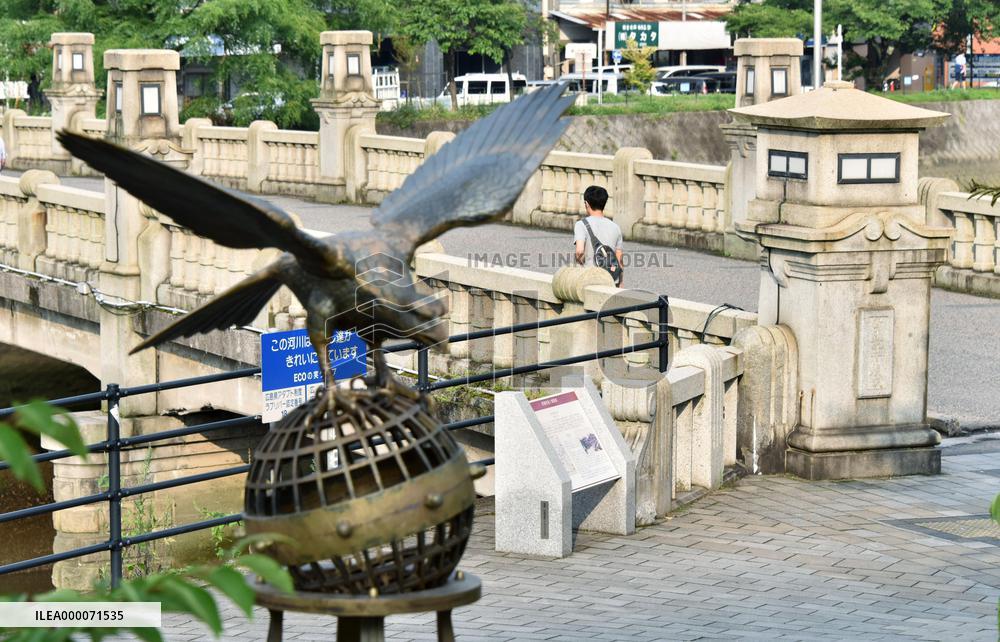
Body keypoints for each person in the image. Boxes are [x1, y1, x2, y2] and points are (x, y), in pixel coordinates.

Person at [574, 185, 623, 286]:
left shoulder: (581, 224)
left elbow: (579, 251)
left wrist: (580, 263)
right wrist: (620, 283)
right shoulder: (615, 227)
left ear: (586, 204)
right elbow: (619, 260)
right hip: (611, 279)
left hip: (590, 279)